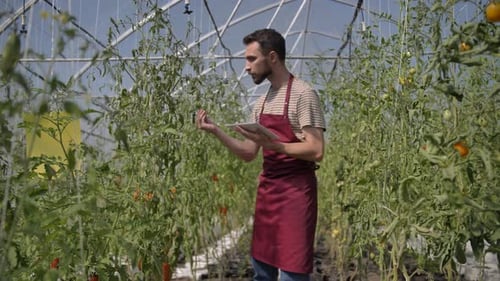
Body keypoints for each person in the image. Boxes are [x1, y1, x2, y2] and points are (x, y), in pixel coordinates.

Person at [196, 28, 325, 281]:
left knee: (292, 273)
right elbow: (248, 153)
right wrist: (216, 131)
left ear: (273, 58)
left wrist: (278, 147)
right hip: (268, 193)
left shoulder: (302, 94)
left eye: (252, 59)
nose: (246, 67)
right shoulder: (262, 103)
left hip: (296, 193)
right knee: (262, 272)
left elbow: (316, 149)